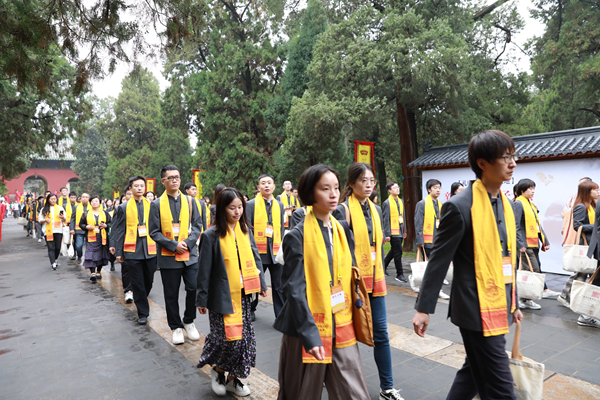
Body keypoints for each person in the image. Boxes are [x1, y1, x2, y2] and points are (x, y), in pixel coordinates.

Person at [413, 129, 523, 400]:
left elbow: (507, 259)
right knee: (501, 388)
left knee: (472, 374)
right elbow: (439, 260)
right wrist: (423, 308)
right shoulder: (459, 206)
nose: (513, 163)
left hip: (500, 303)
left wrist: (515, 301)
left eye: (514, 156)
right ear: (483, 163)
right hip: (475, 307)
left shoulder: (507, 205)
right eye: (505, 157)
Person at [275, 164, 370, 400]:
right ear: (310, 193)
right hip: (306, 328)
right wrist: (310, 335)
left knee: (353, 391)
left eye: (336, 188)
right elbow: (294, 290)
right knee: (300, 393)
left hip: (341, 320)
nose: (333, 194)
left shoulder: (342, 230)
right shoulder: (297, 236)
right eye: (325, 189)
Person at [332, 162, 403, 400]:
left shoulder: (375, 209)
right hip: (351, 284)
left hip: (375, 281)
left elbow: (378, 245)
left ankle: (387, 388)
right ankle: (334, 379)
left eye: (371, 180)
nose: (369, 184)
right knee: (344, 334)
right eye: (363, 180)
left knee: (381, 333)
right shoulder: (342, 210)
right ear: (351, 184)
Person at [196, 188, 268, 397]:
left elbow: (255, 257)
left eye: (240, 207)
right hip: (221, 296)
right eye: (232, 208)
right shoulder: (211, 235)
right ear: (222, 209)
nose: (237, 212)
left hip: (244, 295)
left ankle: (232, 379)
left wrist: (262, 283)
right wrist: (201, 298)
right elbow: (204, 270)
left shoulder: (245, 230)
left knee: (244, 340)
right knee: (227, 340)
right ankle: (218, 371)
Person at [149, 165, 203, 345]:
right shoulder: (156, 204)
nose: (174, 180)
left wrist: (187, 243)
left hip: (190, 254)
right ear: (163, 181)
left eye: (177, 177)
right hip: (168, 256)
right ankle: (175, 327)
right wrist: (173, 245)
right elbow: (154, 232)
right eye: (170, 178)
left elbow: (197, 226)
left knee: (193, 288)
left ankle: (189, 320)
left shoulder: (191, 201)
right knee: (171, 293)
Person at [111, 176, 158, 325]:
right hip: (132, 251)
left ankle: (141, 297)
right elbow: (119, 230)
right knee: (137, 283)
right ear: (130, 188)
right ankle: (143, 312)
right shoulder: (123, 207)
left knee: (149, 280)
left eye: (141, 186)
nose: (139, 188)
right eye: (136, 186)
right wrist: (119, 252)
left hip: (150, 249)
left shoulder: (152, 205)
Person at [558, 181, 600, 322]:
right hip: (585, 244)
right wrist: (596, 226)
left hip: (592, 244)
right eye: (595, 190)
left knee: (582, 273)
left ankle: (567, 297)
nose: (598, 192)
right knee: (582, 273)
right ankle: (568, 298)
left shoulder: (592, 206)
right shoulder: (581, 206)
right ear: (587, 192)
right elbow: (578, 226)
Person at [246, 174, 285, 320]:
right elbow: (247, 229)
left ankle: (280, 316)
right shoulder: (250, 205)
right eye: (263, 183)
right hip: (258, 252)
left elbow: (281, 228)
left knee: (278, 286)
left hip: (275, 252)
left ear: (274, 186)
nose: (266, 185)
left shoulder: (279, 205)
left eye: (269, 183)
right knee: (255, 283)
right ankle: (251, 309)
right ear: (258, 187)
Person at [513, 179, 555, 310]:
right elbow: (515, 225)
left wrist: (545, 240)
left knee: (530, 271)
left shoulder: (530, 204)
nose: (533, 191)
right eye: (530, 188)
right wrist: (520, 244)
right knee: (533, 271)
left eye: (533, 188)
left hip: (533, 243)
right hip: (524, 244)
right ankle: (522, 299)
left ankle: (524, 299)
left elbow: (537, 225)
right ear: (522, 190)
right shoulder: (518, 203)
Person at [412, 179, 450, 298]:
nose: (438, 190)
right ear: (429, 190)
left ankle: (416, 281)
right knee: (434, 266)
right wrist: (420, 240)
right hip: (427, 241)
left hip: (438, 240)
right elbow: (418, 223)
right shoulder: (422, 204)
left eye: (439, 187)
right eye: (435, 187)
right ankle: (437, 290)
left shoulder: (440, 204)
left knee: (433, 266)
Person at [79, 196, 111, 282]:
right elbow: (81, 224)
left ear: (100, 203)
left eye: (96, 201)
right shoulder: (86, 213)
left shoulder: (105, 213)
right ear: (90, 203)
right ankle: (92, 272)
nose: (94, 203)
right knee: (91, 254)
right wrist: (86, 227)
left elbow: (110, 223)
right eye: (92, 201)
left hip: (102, 237)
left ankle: (98, 271)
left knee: (101, 254)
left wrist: (105, 226)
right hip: (91, 237)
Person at [382, 181, 407, 282]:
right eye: (395, 188)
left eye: (398, 187)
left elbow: (403, 216)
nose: (397, 189)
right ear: (389, 190)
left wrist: (405, 230)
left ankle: (383, 266)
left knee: (394, 251)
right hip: (393, 232)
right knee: (398, 252)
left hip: (400, 231)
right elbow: (386, 219)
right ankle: (399, 274)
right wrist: (387, 234)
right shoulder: (386, 203)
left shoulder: (401, 201)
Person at [39, 193, 67, 270]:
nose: (53, 200)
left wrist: (62, 217)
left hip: (58, 230)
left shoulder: (60, 208)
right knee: (50, 247)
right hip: (48, 231)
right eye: (51, 199)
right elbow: (40, 220)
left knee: (57, 247)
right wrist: (45, 220)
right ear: (48, 200)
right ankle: (53, 263)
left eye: (54, 199)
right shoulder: (44, 209)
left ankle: (55, 259)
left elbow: (65, 220)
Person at [71, 192, 91, 265]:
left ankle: (89, 258)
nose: (85, 198)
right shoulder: (76, 207)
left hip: (90, 230)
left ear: (89, 198)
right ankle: (79, 256)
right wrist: (72, 228)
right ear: (80, 198)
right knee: (78, 246)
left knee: (90, 246)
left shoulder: (92, 207)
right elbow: (72, 218)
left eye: (86, 197)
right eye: (83, 197)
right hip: (79, 229)